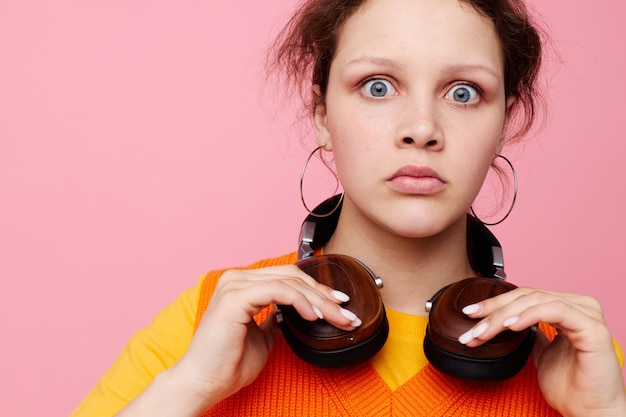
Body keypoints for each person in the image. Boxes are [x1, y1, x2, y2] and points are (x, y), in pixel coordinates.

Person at [70, 0, 626, 416]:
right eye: (378, 87)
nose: (421, 130)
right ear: (321, 113)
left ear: (504, 122)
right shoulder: (213, 320)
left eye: (463, 93)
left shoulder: (581, 358)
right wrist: (189, 388)